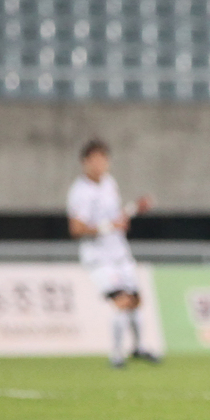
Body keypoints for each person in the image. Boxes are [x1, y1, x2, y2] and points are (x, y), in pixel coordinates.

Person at [67, 139, 156, 368]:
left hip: (119, 251)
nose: (100, 165)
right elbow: (76, 229)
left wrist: (134, 209)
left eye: (103, 160)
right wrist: (108, 227)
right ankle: (116, 354)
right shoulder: (80, 192)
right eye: (95, 160)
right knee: (121, 301)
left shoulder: (109, 183)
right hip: (99, 257)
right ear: (85, 162)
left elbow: (116, 218)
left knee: (136, 300)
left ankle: (138, 347)